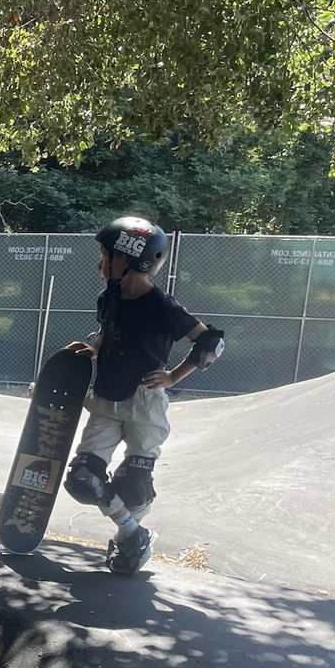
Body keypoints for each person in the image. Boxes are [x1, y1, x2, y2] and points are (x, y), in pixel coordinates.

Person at [62, 216, 225, 575]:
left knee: (132, 487)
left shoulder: (161, 305)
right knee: (81, 478)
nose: (99, 263)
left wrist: (173, 376)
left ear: (128, 259)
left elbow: (211, 342)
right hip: (106, 399)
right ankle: (134, 533)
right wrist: (93, 349)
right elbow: (109, 332)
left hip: (145, 401)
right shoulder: (110, 297)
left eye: (105, 255)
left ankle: (130, 536)